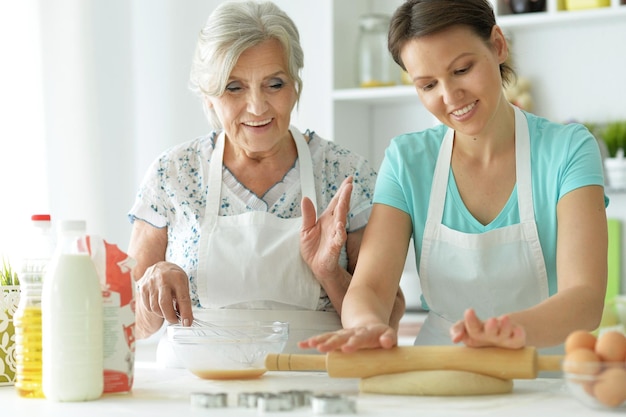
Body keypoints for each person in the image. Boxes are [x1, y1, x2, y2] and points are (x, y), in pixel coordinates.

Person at [300, 0, 608, 355]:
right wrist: (367, 324)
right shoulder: (406, 161)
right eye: (428, 85)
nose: (450, 96)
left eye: (462, 70)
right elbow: (370, 287)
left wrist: (502, 332)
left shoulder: (567, 149)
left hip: (545, 376)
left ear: (497, 45)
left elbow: (584, 299)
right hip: (441, 373)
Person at [126, 0, 405, 363]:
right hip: (192, 387)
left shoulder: (345, 174)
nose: (257, 107)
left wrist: (329, 272)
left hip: (314, 382)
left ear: (296, 86)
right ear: (209, 98)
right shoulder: (172, 174)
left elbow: (390, 318)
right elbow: (132, 325)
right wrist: (153, 284)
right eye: (234, 88)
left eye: (274, 84)